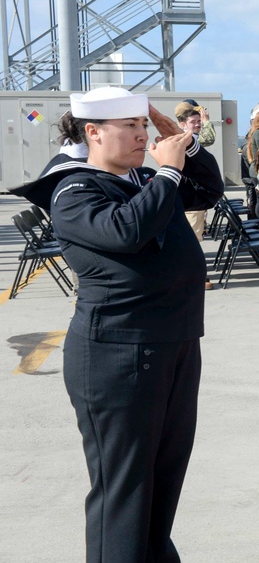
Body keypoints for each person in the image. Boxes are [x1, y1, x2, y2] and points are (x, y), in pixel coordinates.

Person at [10, 87, 224, 562]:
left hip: (174, 341)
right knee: (124, 490)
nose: (142, 135)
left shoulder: (140, 178)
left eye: (144, 125)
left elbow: (209, 190)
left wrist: (184, 146)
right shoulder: (73, 189)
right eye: (130, 127)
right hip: (120, 352)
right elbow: (125, 232)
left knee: (163, 479)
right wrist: (168, 171)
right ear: (93, 133)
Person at [175, 102, 217, 289]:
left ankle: (193, 276)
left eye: (199, 121)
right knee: (192, 241)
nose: (198, 124)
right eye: (194, 121)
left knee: (192, 239)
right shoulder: (186, 141)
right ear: (183, 124)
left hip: (191, 199)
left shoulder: (183, 139)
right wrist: (207, 122)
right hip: (190, 199)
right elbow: (209, 139)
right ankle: (197, 277)